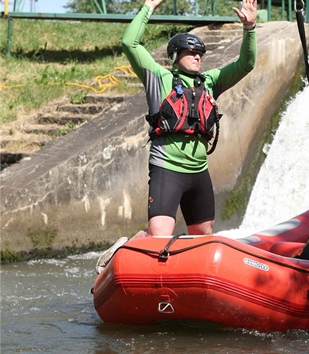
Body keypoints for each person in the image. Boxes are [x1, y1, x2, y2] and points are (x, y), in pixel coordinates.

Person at [96, 0, 257, 274]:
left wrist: (250, 28)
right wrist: (149, 5)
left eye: (200, 53)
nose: (197, 56)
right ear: (174, 56)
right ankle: (122, 251)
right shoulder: (158, 79)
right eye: (190, 52)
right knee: (158, 237)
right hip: (167, 170)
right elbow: (130, 44)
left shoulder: (211, 82)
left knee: (203, 237)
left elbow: (246, 63)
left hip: (199, 173)